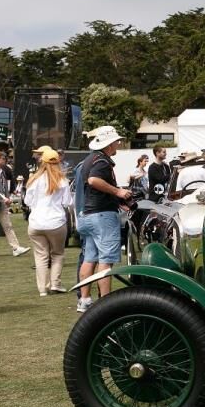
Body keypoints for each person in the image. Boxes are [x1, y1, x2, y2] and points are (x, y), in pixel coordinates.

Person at [76, 126, 132, 313]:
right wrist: (118, 192)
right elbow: (94, 181)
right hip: (102, 216)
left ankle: (84, 300)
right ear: (109, 144)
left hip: (88, 214)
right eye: (117, 141)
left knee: (89, 258)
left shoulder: (89, 159)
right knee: (106, 261)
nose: (119, 144)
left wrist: (117, 200)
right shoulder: (102, 161)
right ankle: (106, 304)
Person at [24, 148, 71, 296]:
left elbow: (27, 201)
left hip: (36, 223)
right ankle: (55, 284)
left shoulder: (34, 179)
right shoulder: (62, 180)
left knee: (41, 256)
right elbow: (67, 202)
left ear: (42, 162)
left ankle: (42, 289)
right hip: (56, 222)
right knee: (57, 254)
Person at [0, 150, 30, 256]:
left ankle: (16, 247)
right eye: (2, 158)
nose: (4, 160)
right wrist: (4, 198)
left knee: (8, 225)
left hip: (2, 202)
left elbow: (5, 186)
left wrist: (7, 198)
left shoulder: (3, 171)